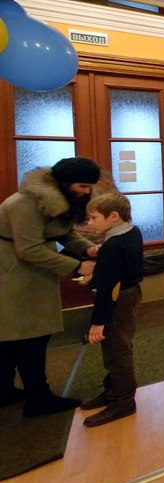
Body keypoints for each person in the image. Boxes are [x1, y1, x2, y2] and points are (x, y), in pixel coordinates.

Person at [0, 157, 100, 417]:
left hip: (26, 274)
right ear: (65, 183)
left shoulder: (56, 198)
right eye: (82, 186)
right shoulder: (25, 204)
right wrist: (77, 266)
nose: (86, 192)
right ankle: (38, 399)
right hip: (13, 275)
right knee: (30, 338)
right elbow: (29, 249)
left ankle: (5, 391)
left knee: (14, 337)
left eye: (90, 187)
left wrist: (87, 248)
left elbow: (63, 232)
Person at [79, 192, 144, 427]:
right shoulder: (132, 232)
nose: (90, 223)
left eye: (94, 218)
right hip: (131, 293)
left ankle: (123, 400)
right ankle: (113, 390)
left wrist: (98, 322)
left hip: (118, 299)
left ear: (114, 217)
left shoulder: (113, 246)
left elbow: (108, 288)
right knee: (119, 345)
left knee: (117, 351)